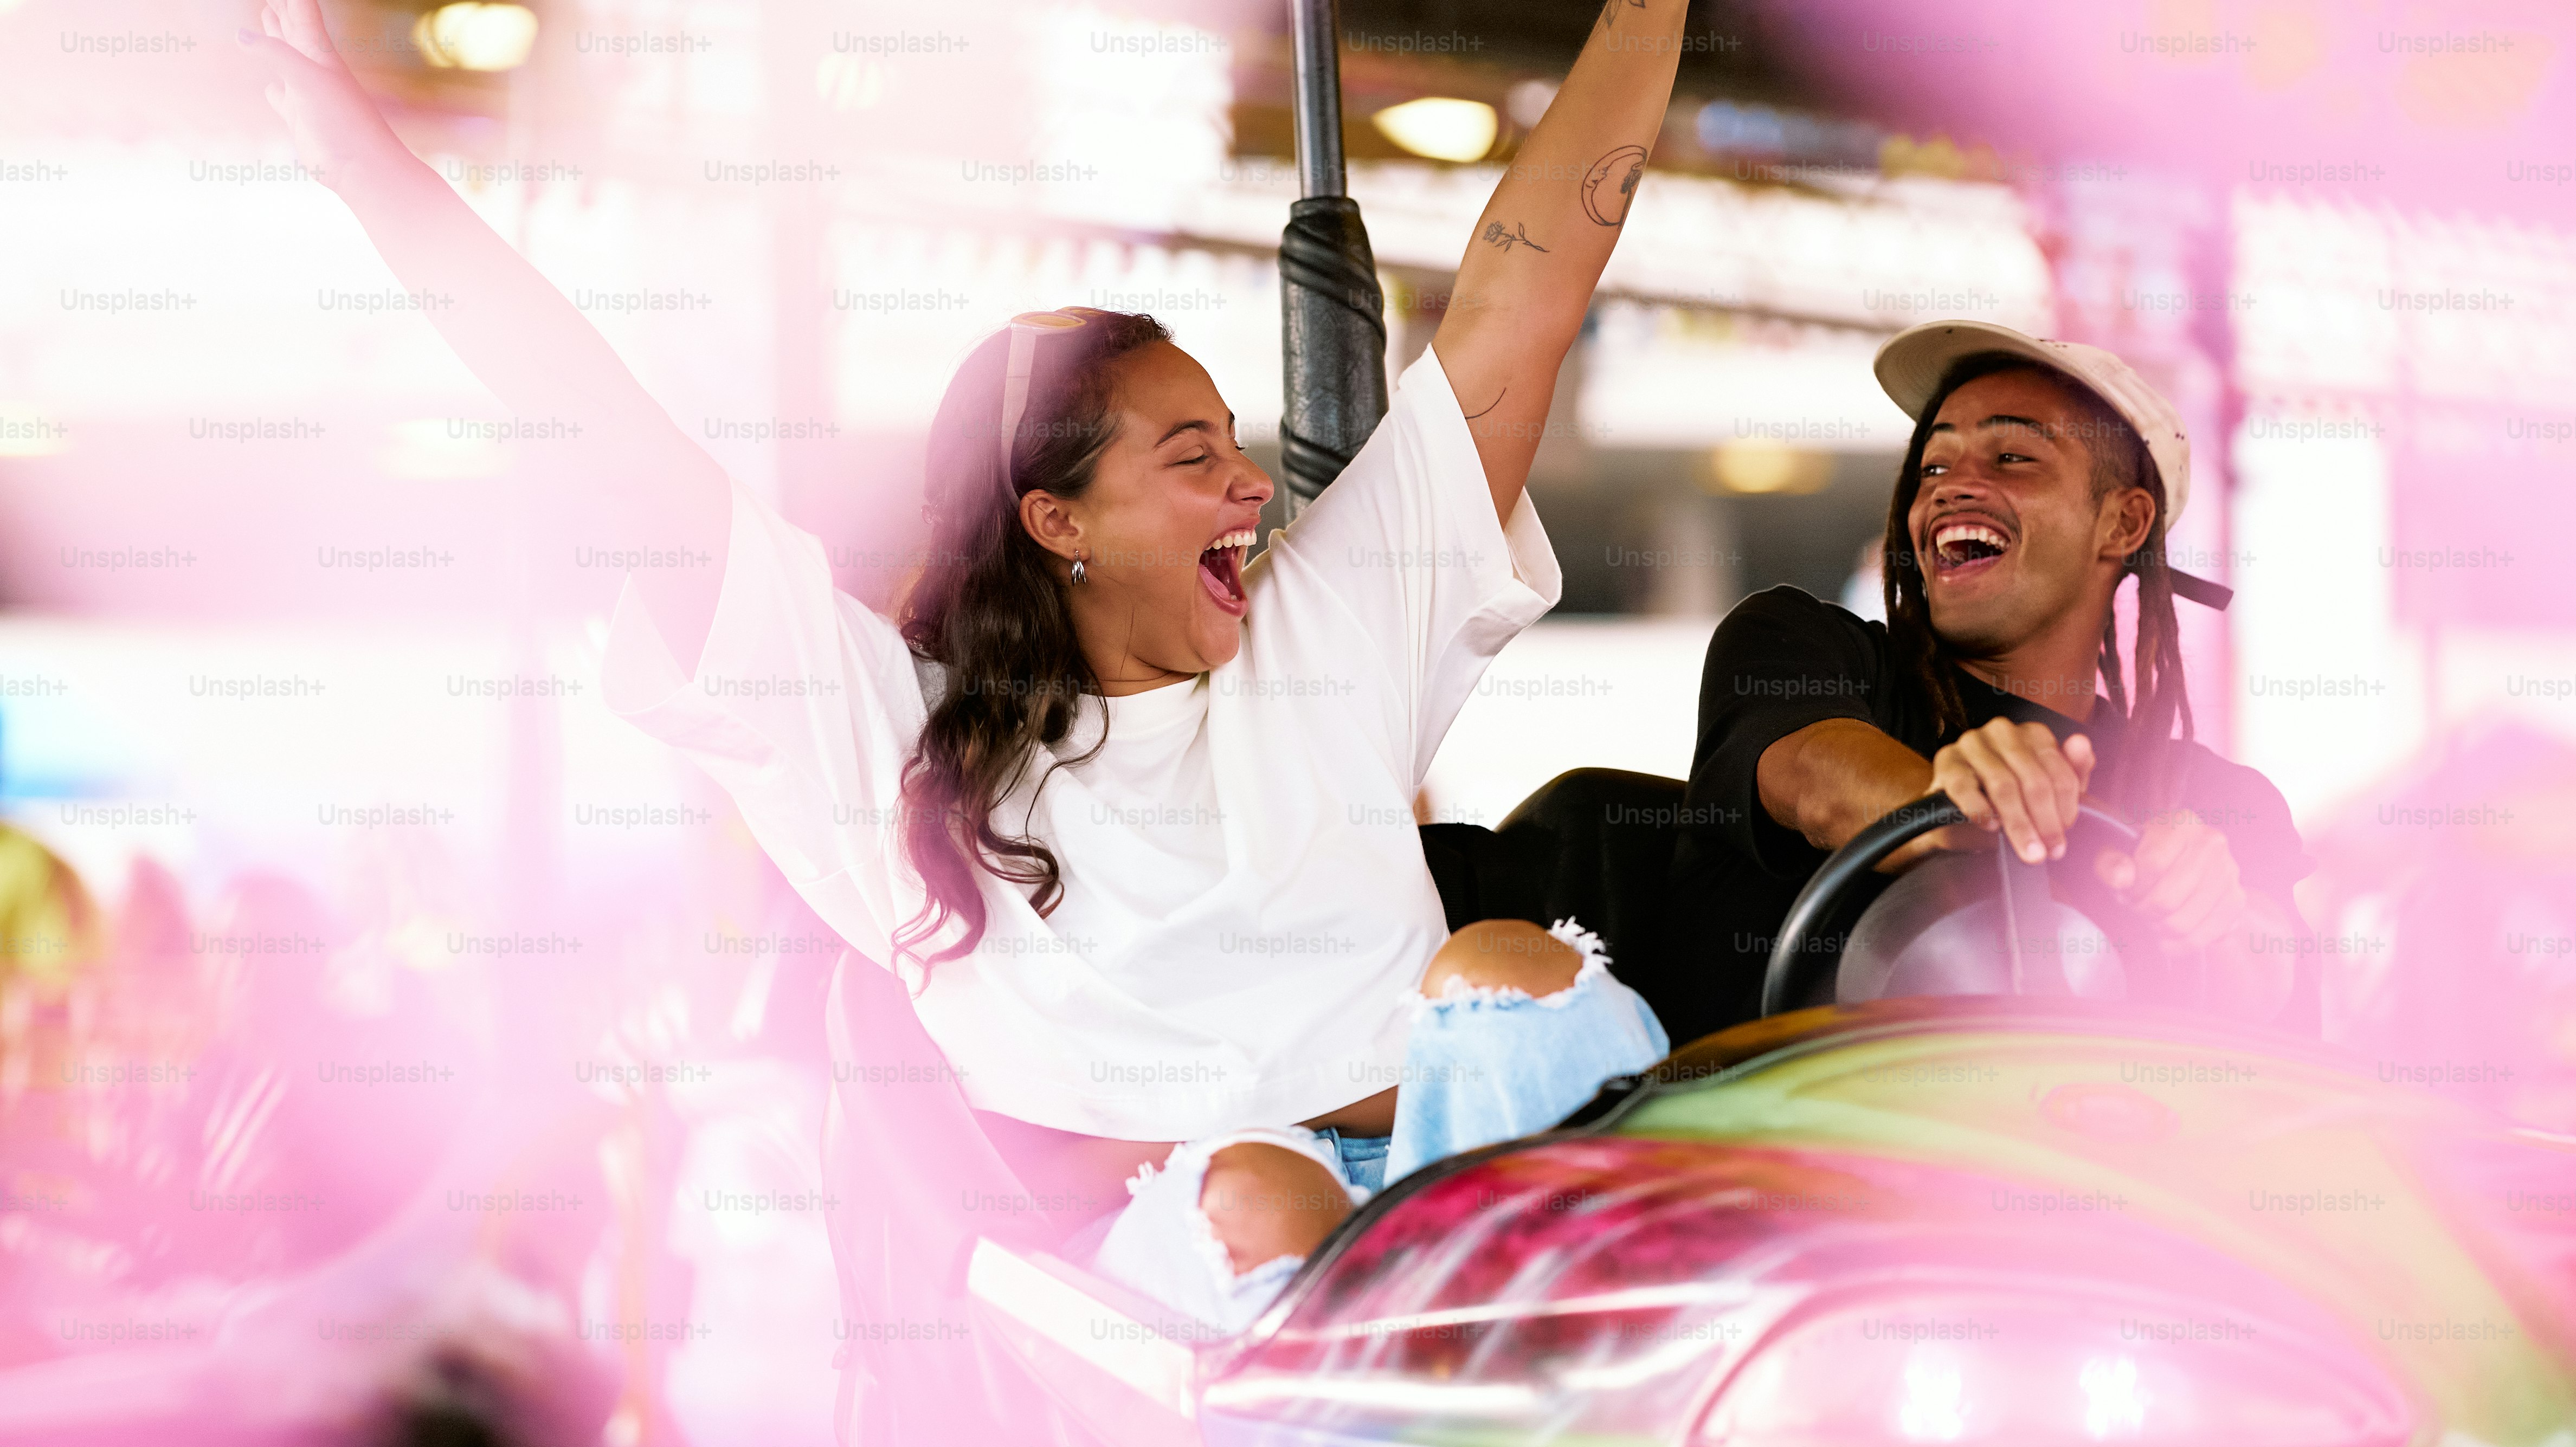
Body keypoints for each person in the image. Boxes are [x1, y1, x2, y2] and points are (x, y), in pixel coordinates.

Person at [241, 0, 1690, 1332]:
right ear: (1054, 521)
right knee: (1262, 1189)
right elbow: (607, 432)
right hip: (1188, 1261)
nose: (1253, 489)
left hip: (1461, 1184)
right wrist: (368, 169)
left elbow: (1530, 288)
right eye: (1194, 461)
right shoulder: (883, 739)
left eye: (1239, 448)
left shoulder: (1326, 631)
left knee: (1512, 971)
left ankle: (1601, 1378)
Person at [1650, 321, 2313, 1042]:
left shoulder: (2217, 798)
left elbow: (2275, 988)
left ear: (2124, 523)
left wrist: (2218, 915)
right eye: (1932, 469)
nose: (1953, 489)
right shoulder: (1797, 645)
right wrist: (1948, 799)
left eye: (2012, 457)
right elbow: (1812, 779)